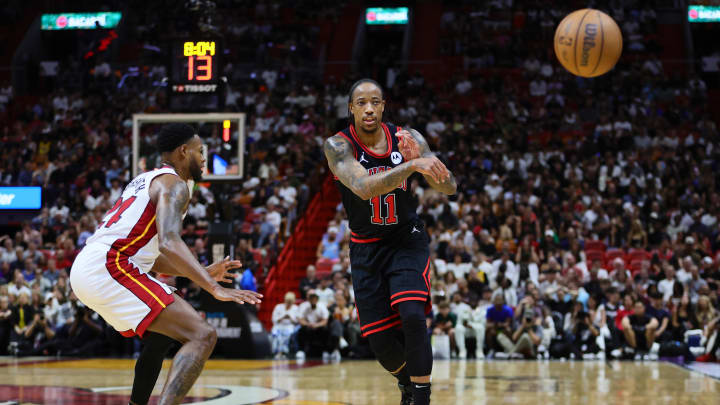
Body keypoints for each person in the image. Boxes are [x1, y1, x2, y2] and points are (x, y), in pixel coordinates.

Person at [69, 124, 262, 405]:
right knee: (202, 335)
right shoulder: (174, 184)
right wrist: (211, 287)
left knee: (161, 338)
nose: (205, 158)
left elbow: (152, 256)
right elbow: (169, 242)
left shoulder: (146, 179)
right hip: (109, 265)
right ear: (184, 151)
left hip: (96, 265)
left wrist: (201, 273)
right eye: (200, 151)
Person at [324, 78, 456, 405]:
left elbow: (450, 186)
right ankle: (407, 384)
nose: (369, 108)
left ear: (383, 105)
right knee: (381, 343)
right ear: (351, 108)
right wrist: (412, 165)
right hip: (366, 246)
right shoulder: (338, 146)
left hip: (405, 238)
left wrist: (427, 168)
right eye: (362, 103)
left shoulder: (408, 139)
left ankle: (421, 398)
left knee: (412, 313)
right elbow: (365, 187)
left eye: (375, 102)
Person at [296, 290, 330, 359]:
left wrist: (317, 325)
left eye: (314, 299)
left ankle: (325, 351)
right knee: (301, 330)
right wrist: (308, 324)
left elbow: (325, 321)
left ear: (317, 300)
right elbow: (300, 319)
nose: (313, 300)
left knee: (326, 330)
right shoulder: (303, 306)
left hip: (319, 326)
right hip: (308, 325)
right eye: (311, 299)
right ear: (309, 299)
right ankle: (301, 351)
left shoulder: (322, 306)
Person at [271, 291, 299, 359]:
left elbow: (297, 322)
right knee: (276, 334)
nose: (289, 303)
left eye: (290, 301)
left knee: (286, 334)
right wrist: (282, 317)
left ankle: (283, 352)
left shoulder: (296, 308)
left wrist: (290, 318)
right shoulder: (278, 307)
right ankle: (276, 352)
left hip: (290, 326)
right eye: (287, 301)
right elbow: (273, 319)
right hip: (279, 325)